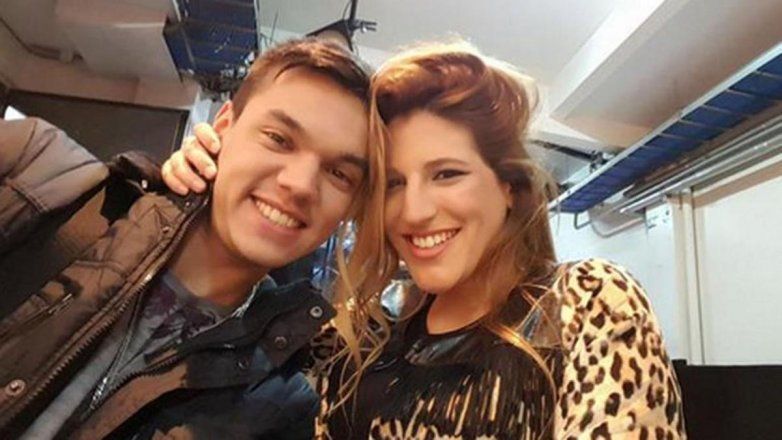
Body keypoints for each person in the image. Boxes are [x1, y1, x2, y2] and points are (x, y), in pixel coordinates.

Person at [164, 41, 687, 439]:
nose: (414, 211)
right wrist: (196, 206)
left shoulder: (583, 303)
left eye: (447, 174)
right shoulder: (359, 340)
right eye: (394, 183)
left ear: (507, 187)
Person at [0, 37, 375, 439]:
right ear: (224, 127)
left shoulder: (278, 409)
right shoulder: (36, 171)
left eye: (339, 174)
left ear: (352, 207)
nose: (300, 185)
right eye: (278, 139)